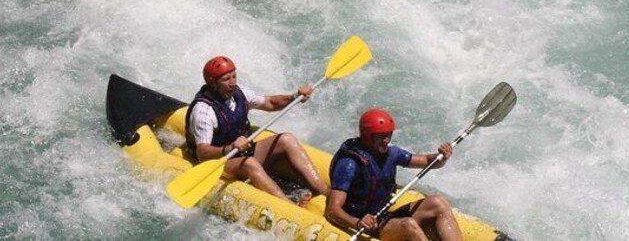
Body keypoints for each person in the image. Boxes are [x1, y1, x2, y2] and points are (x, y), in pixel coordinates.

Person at [186, 56, 330, 206]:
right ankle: (288, 205)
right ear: (213, 83)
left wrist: (294, 97)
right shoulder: (204, 112)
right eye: (226, 79)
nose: (232, 82)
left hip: (240, 151)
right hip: (217, 161)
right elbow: (202, 154)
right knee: (250, 163)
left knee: (286, 139)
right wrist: (230, 148)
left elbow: (270, 103)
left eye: (234, 76)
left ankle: (323, 190)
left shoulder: (239, 92)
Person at [325, 109, 462, 241]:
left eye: (388, 134)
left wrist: (442, 156)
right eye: (381, 136)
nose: (386, 140)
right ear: (367, 135)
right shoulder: (349, 164)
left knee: (439, 202)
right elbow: (333, 210)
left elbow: (428, 161)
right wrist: (358, 223)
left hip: (383, 217)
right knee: (409, 225)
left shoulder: (392, 154)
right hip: (364, 223)